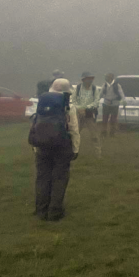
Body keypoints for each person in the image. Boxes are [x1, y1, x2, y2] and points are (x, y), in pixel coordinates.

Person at [33, 78, 80, 222]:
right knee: (59, 178)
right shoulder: (68, 106)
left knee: (42, 177)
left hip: (42, 145)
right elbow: (73, 129)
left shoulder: (42, 101)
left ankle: (41, 210)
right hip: (62, 145)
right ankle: (55, 212)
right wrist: (76, 148)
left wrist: (36, 146)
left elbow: (36, 124)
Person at [72, 71, 103, 158]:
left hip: (89, 114)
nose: (90, 80)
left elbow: (96, 101)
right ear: (83, 79)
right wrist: (79, 108)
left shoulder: (94, 89)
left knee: (94, 135)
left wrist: (85, 108)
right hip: (78, 114)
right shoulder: (77, 88)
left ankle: (98, 153)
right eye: (88, 78)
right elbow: (73, 101)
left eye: (91, 78)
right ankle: (72, 151)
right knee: (75, 133)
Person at [100, 73, 125, 138]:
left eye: (108, 77)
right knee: (104, 119)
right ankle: (104, 132)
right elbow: (100, 93)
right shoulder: (104, 85)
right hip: (106, 103)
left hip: (115, 103)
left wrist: (124, 101)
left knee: (113, 119)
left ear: (111, 78)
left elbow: (121, 93)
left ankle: (112, 132)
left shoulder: (117, 85)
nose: (106, 78)